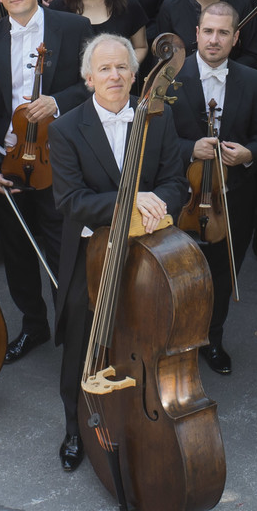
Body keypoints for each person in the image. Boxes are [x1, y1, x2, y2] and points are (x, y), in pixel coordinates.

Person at [48, 33, 187, 471]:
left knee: (145, 334)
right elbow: (71, 201)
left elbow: (175, 183)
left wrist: (156, 201)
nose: (114, 75)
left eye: (122, 67)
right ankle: (75, 426)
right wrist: (129, 200)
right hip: (92, 249)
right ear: (88, 78)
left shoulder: (158, 119)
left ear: (134, 73)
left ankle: (140, 417)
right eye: (104, 68)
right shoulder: (65, 128)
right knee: (82, 334)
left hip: (148, 246)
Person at [0, 0, 93, 365]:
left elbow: (93, 87)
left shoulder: (72, 28)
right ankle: (33, 325)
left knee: (63, 251)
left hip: (59, 162)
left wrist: (57, 101)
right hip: (9, 163)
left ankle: (74, 329)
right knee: (18, 252)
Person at [168, 0, 257, 373]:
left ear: (236, 37)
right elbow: (150, 137)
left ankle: (213, 338)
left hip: (232, 200)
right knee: (177, 271)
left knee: (222, 275)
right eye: (208, 31)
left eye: (223, 32)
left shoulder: (252, 79)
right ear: (196, 34)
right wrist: (187, 149)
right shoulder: (170, 77)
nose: (214, 39)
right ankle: (176, 338)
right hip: (182, 198)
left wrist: (247, 154)